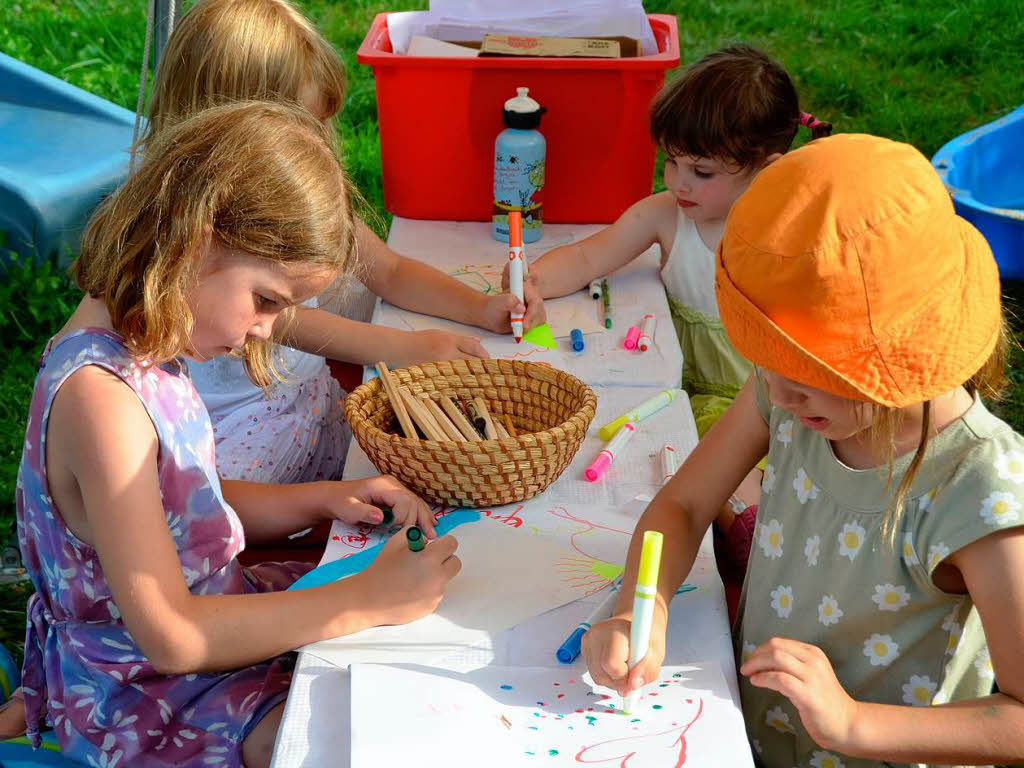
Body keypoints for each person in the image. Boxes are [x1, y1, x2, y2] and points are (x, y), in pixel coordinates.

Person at [15, 101, 461, 767]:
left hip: (204, 625)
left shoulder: (146, 343)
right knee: (328, 739)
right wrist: (362, 601)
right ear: (196, 241)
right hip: (141, 689)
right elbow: (170, 637)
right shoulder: (101, 400)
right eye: (267, 300)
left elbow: (183, 503)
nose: (264, 328)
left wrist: (317, 500)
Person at [582, 133, 1024, 767]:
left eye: (807, 371)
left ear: (899, 353)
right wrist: (638, 610)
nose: (778, 391)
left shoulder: (982, 490)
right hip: (753, 737)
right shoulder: (788, 396)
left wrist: (852, 724)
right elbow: (682, 505)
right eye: (767, 361)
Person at [143, 0, 543, 483]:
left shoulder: (288, 191)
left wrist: (479, 308)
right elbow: (289, 322)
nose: (317, 144)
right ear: (229, 126)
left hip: (306, 404)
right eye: (302, 127)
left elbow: (388, 271)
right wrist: (404, 348)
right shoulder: (198, 230)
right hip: (240, 444)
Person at [513, 45, 832, 516]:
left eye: (701, 171)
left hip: (773, 396)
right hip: (688, 392)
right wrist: (531, 278)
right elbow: (587, 257)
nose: (679, 182)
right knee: (699, 476)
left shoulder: (791, 231)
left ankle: (770, 537)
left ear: (767, 169)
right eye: (672, 162)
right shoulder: (668, 215)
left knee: (786, 484)